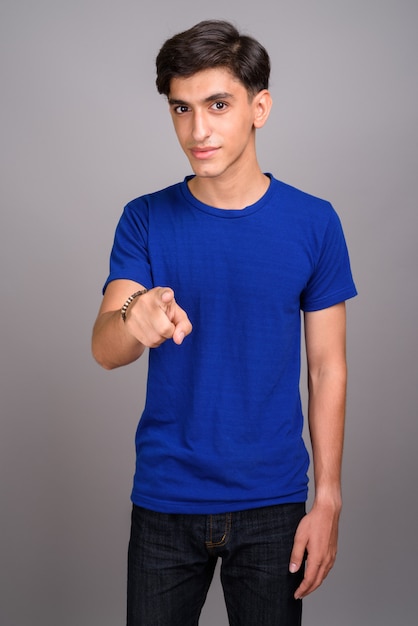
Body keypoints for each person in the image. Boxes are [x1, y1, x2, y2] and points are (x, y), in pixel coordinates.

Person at [92, 19, 357, 626]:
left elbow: (327, 365)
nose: (197, 130)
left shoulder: (315, 223)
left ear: (259, 107)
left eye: (217, 105)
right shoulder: (145, 218)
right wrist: (137, 315)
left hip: (274, 504)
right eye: (180, 109)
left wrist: (329, 496)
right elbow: (106, 348)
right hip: (165, 498)